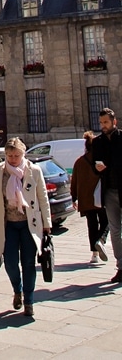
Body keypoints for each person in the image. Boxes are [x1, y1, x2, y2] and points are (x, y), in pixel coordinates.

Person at [0, 136, 51, 317]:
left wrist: (47, 223)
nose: (13, 159)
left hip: (29, 224)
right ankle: (17, 289)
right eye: (9, 155)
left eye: (16, 155)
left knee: (29, 263)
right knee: (10, 263)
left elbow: (42, 198)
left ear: (23, 154)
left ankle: (29, 301)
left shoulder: (34, 171)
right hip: (8, 224)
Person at [92, 107, 122, 284]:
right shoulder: (98, 142)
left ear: (114, 122)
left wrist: (109, 165)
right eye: (101, 123)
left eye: (106, 122)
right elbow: (94, 166)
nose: (103, 126)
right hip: (109, 191)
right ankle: (120, 267)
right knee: (115, 230)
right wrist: (96, 168)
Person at [70, 131, 109, 264]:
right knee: (106, 221)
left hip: (86, 199)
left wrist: (73, 197)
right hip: (100, 197)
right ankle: (101, 240)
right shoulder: (101, 160)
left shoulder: (79, 161)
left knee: (91, 225)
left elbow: (74, 181)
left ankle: (94, 254)